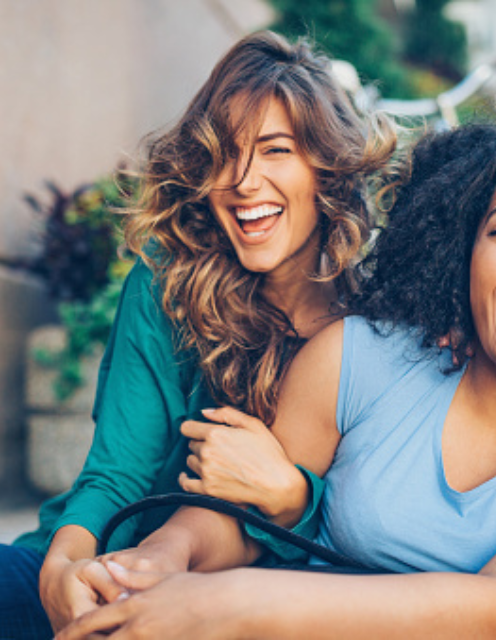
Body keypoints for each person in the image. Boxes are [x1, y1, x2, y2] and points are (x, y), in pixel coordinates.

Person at [58, 116, 496, 639]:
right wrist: (162, 558)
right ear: (461, 252)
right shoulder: (359, 357)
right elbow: (236, 518)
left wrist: (233, 603)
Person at [0, 30, 395, 638]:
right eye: (223, 155)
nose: (243, 181)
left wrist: (292, 496)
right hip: (113, 561)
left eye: (275, 150)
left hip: (257, 604)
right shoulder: (168, 281)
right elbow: (115, 473)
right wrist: (61, 569)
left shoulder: (378, 324)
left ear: (327, 168)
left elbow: (377, 527)